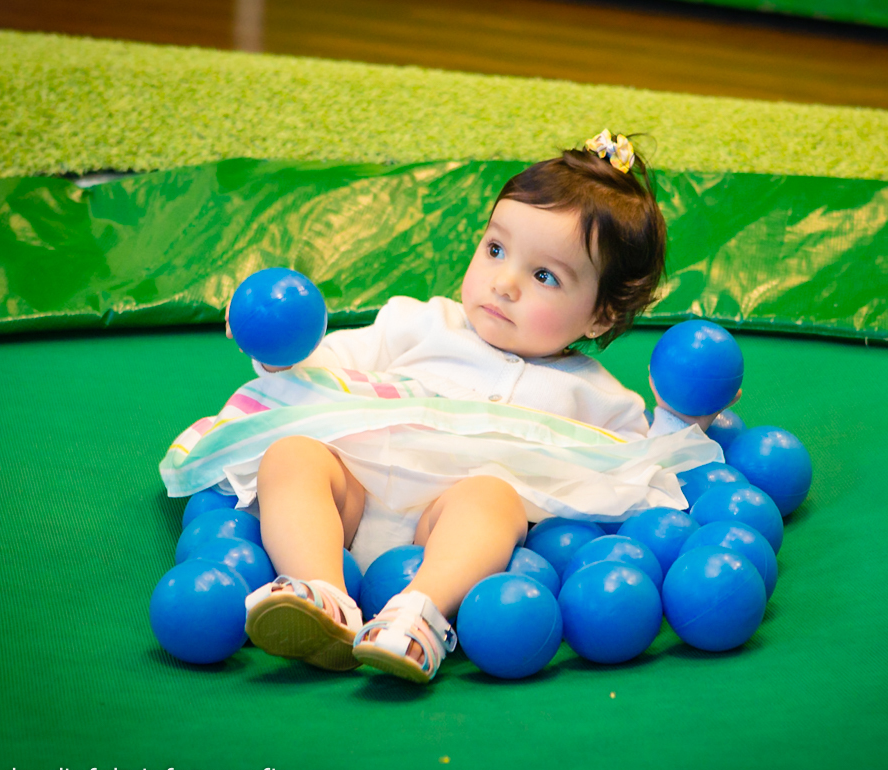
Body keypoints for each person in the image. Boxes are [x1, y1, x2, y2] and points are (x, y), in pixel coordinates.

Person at [173, 130, 736, 683]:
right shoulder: (419, 322)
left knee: (491, 495)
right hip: (353, 496)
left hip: (446, 532)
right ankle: (322, 595)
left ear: (600, 317)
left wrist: (684, 417)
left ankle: (418, 615)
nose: (504, 283)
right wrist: (278, 350)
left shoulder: (599, 396)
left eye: (544, 276)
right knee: (293, 455)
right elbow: (320, 368)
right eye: (495, 249)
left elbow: (641, 471)